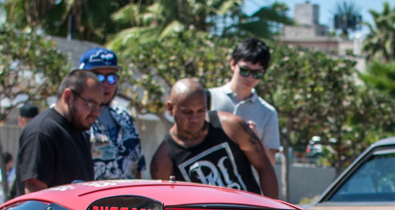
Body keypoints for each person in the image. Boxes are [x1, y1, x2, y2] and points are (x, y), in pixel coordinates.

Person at [150, 78, 279, 199]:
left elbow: (265, 166)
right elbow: (167, 206)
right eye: (187, 112)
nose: (195, 119)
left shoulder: (232, 126)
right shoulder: (163, 160)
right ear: (170, 108)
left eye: (201, 111)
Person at [16, 70, 102, 193]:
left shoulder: (79, 131)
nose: (96, 113)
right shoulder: (42, 132)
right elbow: (35, 196)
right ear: (68, 97)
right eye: (91, 104)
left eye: (99, 106)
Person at [77, 47, 145, 180]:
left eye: (112, 78)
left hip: (129, 198)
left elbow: (138, 167)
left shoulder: (124, 117)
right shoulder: (74, 120)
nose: (107, 84)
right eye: (99, 77)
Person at [209, 38, 280, 161]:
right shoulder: (209, 97)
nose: (250, 78)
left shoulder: (268, 112)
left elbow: (271, 162)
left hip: (246, 180)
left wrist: (255, 139)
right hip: (206, 178)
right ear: (232, 64)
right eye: (245, 71)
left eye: (257, 74)